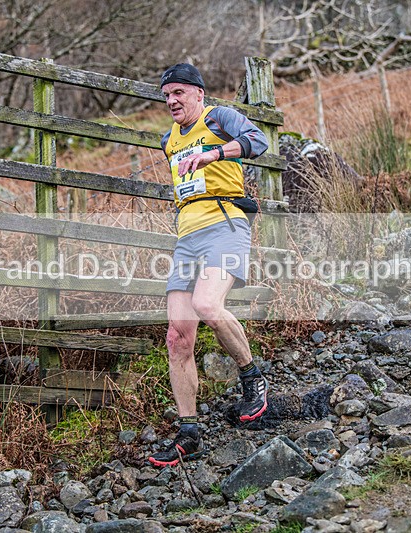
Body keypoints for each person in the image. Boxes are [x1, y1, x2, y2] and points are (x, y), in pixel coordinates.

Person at [148, 63, 270, 468]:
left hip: (226, 225)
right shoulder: (169, 141)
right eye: (166, 96)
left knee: (207, 305)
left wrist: (212, 153)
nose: (172, 101)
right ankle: (189, 433)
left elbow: (259, 141)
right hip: (188, 238)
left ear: (199, 93)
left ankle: (253, 378)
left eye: (179, 93)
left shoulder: (218, 117)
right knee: (177, 337)